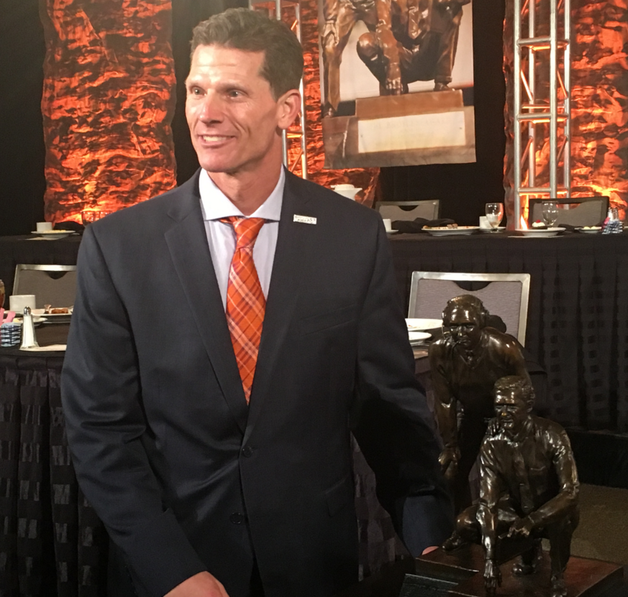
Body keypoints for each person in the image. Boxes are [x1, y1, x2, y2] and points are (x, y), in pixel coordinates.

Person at [61, 8, 452, 597]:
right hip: (178, 565)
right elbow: (99, 429)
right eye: (196, 90)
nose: (206, 113)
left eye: (234, 92)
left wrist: (433, 541)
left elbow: (387, 410)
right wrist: (173, 570)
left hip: (313, 565)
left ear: (286, 110)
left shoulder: (352, 236)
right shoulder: (120, 246)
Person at [442, 376, 580, 597]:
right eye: (499, 405)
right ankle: (527, 552)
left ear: (529, 406)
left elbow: (570, 492)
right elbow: (488, 502)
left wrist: (533, 520)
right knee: (465, 522)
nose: (504, 413)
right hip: (515, 507)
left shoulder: (553, 435)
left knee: (561, 519)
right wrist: (489, 558)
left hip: (550, 509)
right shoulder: (492, 443)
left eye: (511, 406)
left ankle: (557, 574)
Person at [428, 294, 530, 511]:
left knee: (510, 475)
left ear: (482, 323)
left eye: (467, 326)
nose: (459, 333)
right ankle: (464, 528)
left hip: (508, 416)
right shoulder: (439, 350)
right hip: (472, 415)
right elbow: (445, 402)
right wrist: (450, 445)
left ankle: (518, 531)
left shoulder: (504, 347)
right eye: (452, 327)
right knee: (452, 470)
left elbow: (526, 393)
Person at [356, 0, 470, 94]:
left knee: (452, 10)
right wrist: (393, 64)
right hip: (401, 57)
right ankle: (395, 87)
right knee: (365, 44)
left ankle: (442, 83)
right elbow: (383, 28)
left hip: (430, 56)